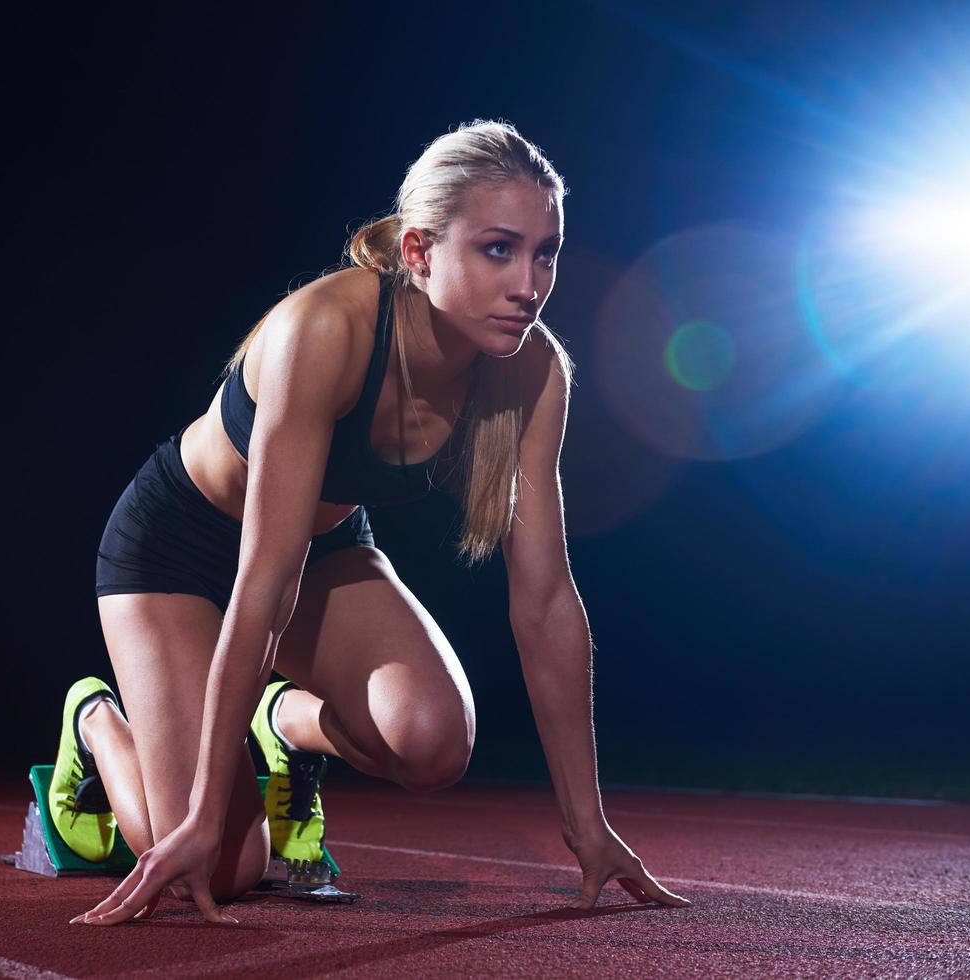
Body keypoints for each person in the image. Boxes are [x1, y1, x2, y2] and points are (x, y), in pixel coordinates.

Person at [54, 119, 691, 926]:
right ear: (420, 252)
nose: (529, 283)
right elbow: (264, 582)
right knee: (218, 861)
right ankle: (96, 719)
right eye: (498, 248)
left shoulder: (532, 373)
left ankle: (278, 724)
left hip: (318, 550)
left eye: (546, 252)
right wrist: (202, 817)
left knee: (432, 743)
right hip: (178, 550)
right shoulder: (326, 330)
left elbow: (545, 603)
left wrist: (587, 824)